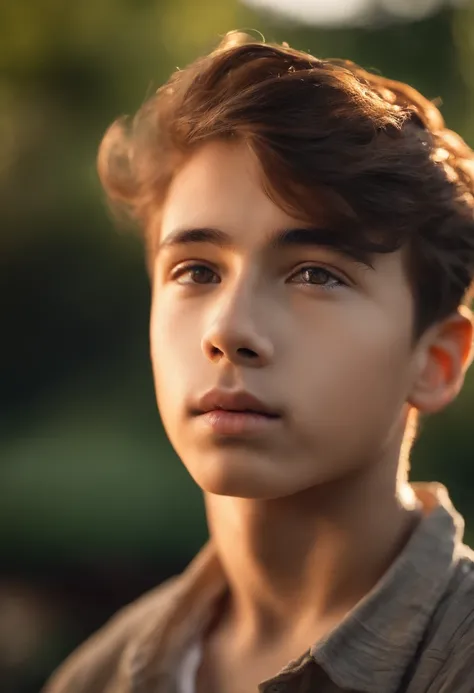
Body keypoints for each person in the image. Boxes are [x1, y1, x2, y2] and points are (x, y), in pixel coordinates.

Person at [43, 30, 474, 693]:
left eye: (315, 274)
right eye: (195, 270)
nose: (229, 328)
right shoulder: (96, 676)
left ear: (437, 359)